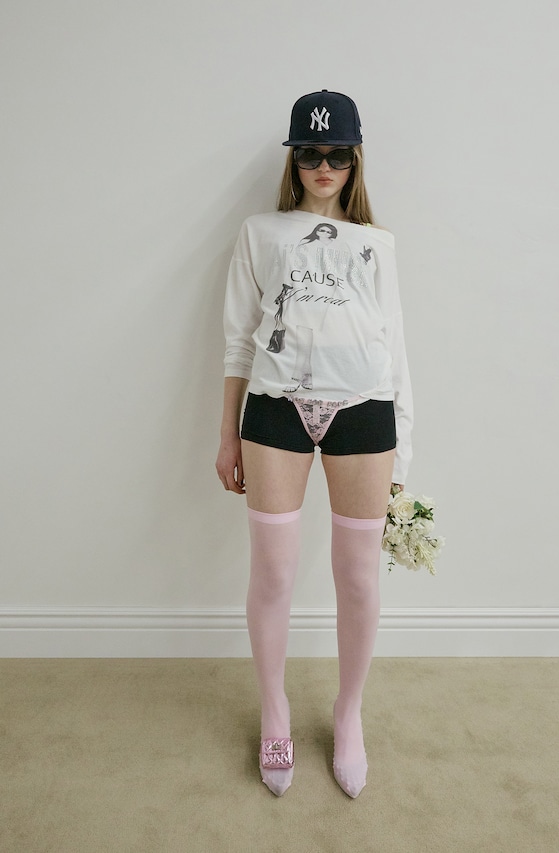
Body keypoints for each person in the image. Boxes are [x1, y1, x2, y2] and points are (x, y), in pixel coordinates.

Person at [216, 89, 413, 798]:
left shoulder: (377, 243)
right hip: (275, 412)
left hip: (365, 412)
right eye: (310, 153)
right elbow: (239, 340)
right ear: (294, 160)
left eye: (337, 154)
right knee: (273, 572)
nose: (323, 165)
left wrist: (404, 448)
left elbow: (395, 346)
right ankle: (275, 712)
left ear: (354, 160)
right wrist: (227, 433)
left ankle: (348, 712)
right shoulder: (260, 232)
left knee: (358, 575)